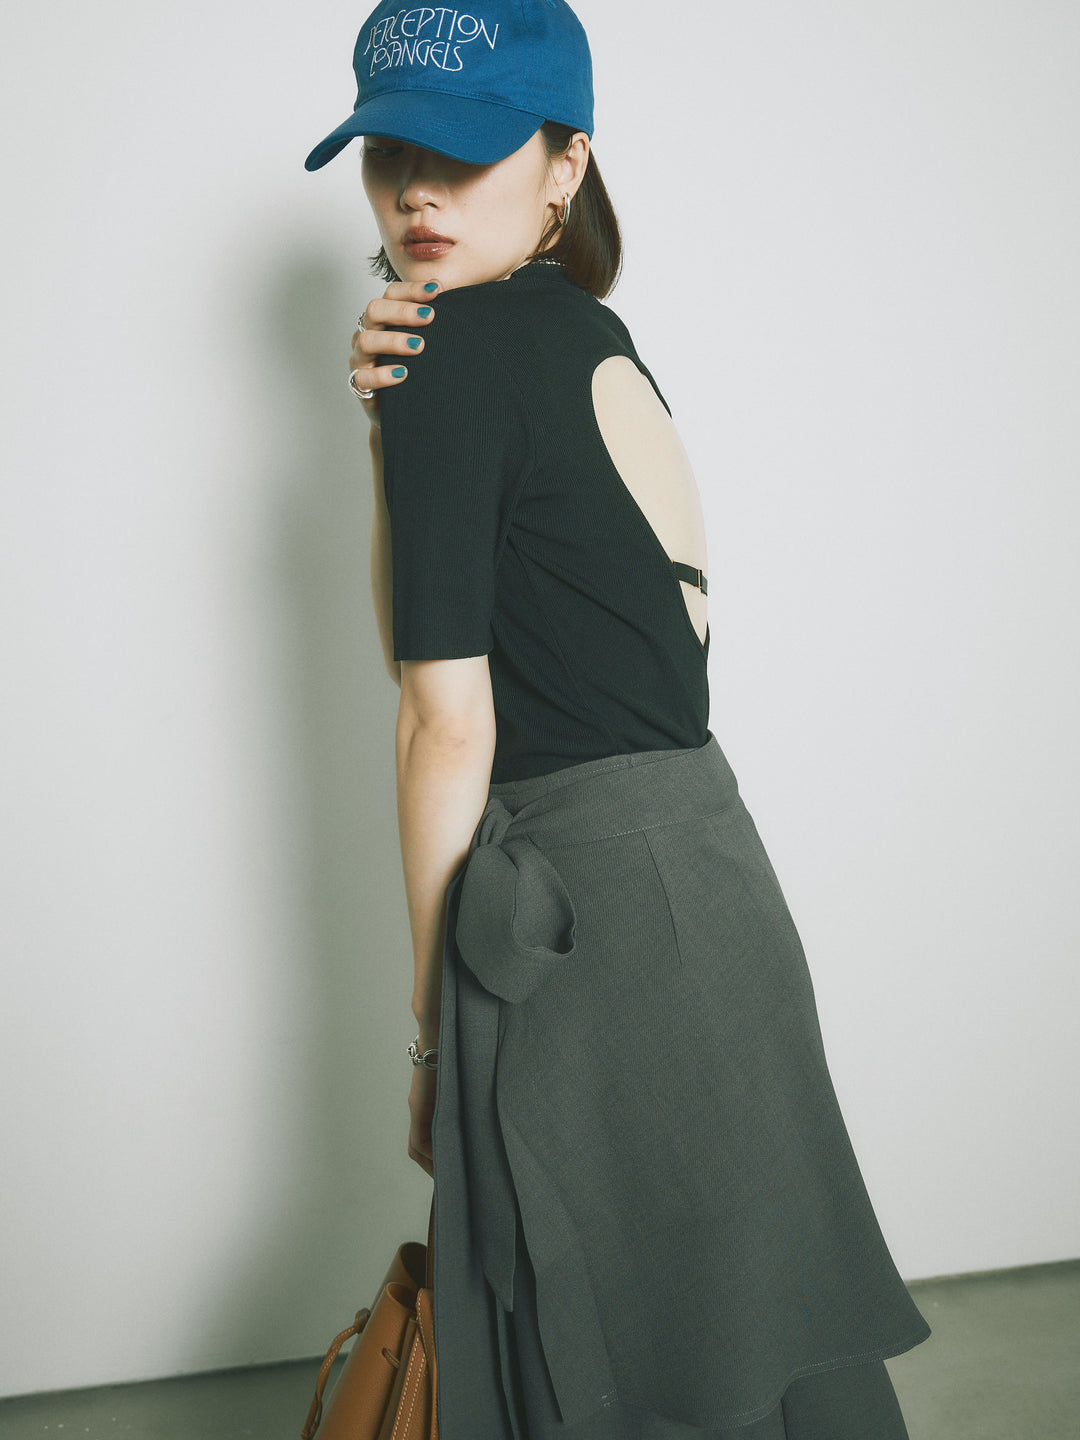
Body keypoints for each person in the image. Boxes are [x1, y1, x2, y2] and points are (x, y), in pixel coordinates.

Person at [304, 3, 932, 1437]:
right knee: (771, 1342)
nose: (417, 189)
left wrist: (430, 1035)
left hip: (581, 931)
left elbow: (440, 716)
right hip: (708, 882)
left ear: (566, 164)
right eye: (390, 151)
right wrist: (387, 420)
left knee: (606, 1360)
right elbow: (471, 631)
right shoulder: (588, 335)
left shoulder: (454, 355)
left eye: (464, 149)